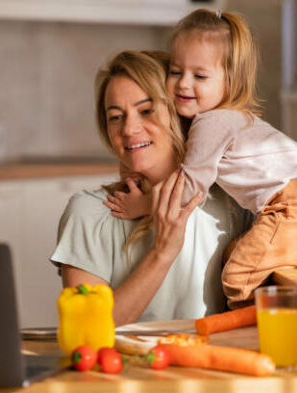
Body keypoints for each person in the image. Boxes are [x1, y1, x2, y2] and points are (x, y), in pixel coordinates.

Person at [103, 9, 297, 309]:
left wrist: (144, 204)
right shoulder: (230, 119)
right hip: (288, 201)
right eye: (175, 71)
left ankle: (244, 337)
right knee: (236, 251)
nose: (184, 84)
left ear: (230, 81)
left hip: (290, 204)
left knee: (237, 279)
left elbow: (190, 187)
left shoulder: (212, 123)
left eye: (199, 76)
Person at [50, 50, 252, 326]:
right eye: (115, 117)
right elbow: (86, 330)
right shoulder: (88, 212)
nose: (129, 129)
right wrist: (162, 252)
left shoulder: (231, 202)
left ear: (179, 113)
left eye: (146, 111)